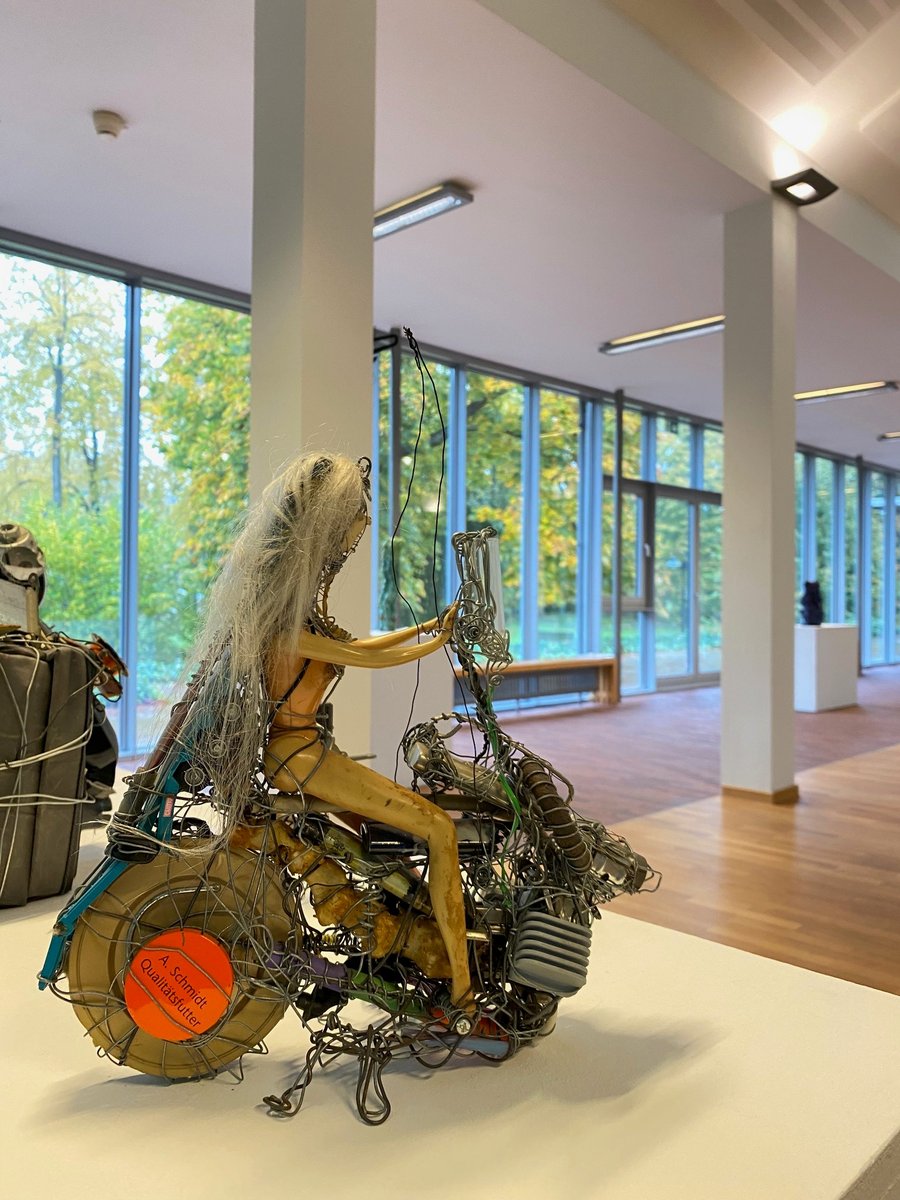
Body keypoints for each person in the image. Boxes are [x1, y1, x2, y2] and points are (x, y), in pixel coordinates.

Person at [189, 452, 473, 1013]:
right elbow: (366, 659)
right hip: (298, 755)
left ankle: (422, 938)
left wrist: (429, 626)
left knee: (407, 828)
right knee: (440, 830)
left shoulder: (295, 613)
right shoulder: (285, 624)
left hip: (305, 750)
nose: (358, 532)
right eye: (354, 521)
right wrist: (437, 643)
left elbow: (361, 646)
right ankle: (464, 990)